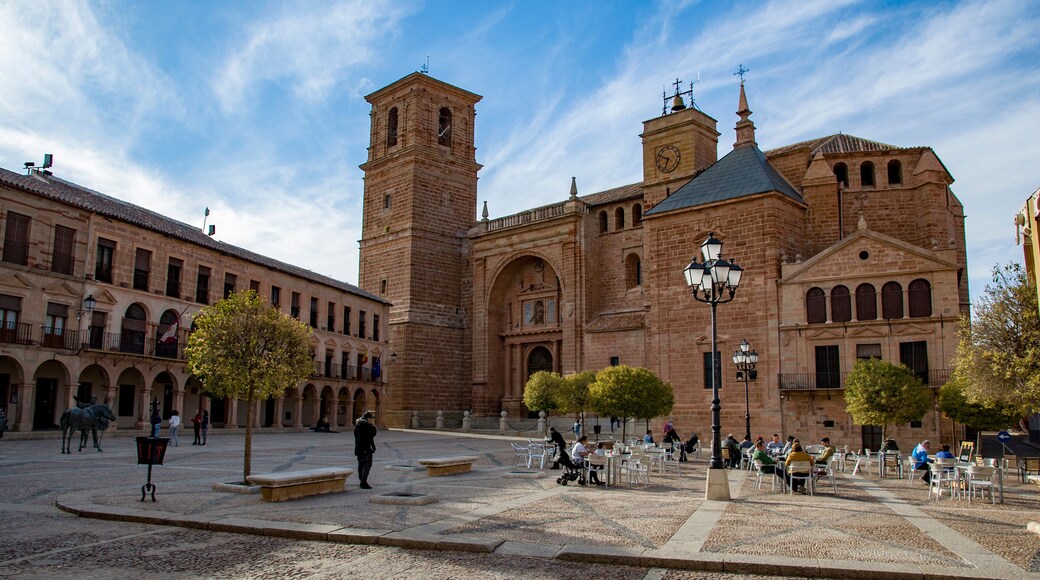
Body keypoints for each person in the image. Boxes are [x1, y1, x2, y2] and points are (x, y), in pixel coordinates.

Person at [354, 410, 377, 489]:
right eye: (371, 418)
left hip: (359, 448)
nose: (371, 420)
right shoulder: (366, 426)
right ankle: (363, 481)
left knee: (361, 465)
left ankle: (361, 480)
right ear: (368, 418)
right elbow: (371, 435)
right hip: (366, 449)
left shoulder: (358, 425)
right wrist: (372, 426)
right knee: (367, 464)